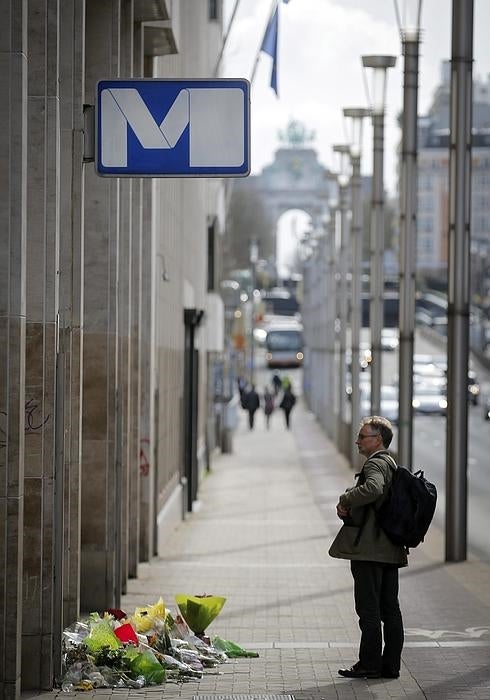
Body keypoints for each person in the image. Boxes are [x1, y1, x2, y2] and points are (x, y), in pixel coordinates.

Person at [329, 416, 407, 680]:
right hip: (390, 548)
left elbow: (373, 488)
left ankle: (369, 664)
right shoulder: (391, 463)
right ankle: (390, 665)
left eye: (363, 436)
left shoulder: (375, 464)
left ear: (378, 440)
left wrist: (346, 498)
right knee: (390, 609)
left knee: (369, 609)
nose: (358, 440)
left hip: (370, 549)